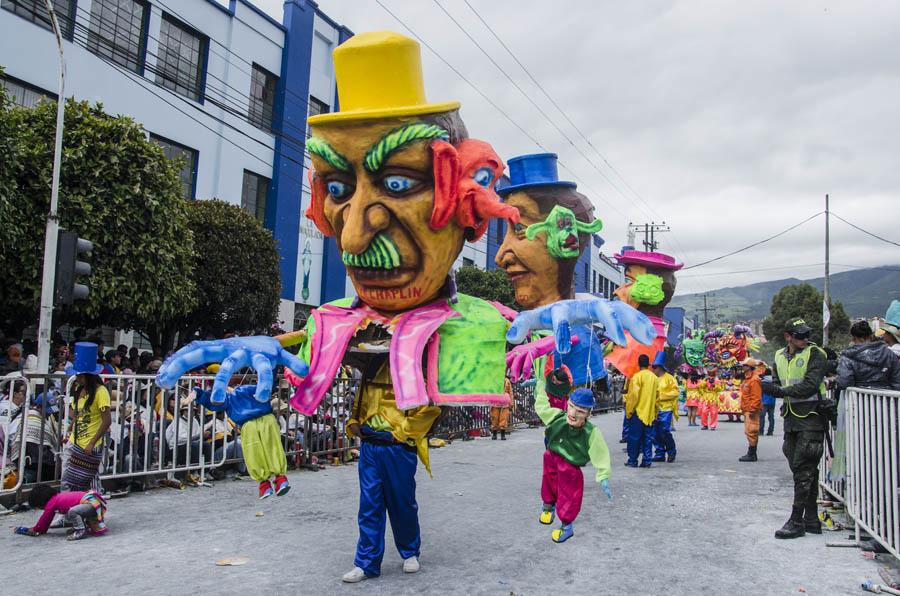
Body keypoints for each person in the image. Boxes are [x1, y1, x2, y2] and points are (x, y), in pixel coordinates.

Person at [341, 354, 441, 583]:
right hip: (370, 447)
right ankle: (366, 563)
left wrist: (401, 433)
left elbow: (430, 408)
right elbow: (361, 399)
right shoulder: (373, 365)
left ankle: (410, 552)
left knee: (402, 502)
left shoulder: (416, 367)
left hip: (398, 448)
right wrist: (354, 422)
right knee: (369, 505)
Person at [761, 317, 829, 539]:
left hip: (812, 417)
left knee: (804, 467)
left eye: (807, 334)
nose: (805, 339)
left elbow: (809, 384)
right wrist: (771, 387)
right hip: (791, 418)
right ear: (788, 336)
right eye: (800, 335)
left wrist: (780, 392)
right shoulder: (779, 356)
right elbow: (781, 381)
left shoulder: (816, 354)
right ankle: (811, 519)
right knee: (802, 468)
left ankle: (796, 520)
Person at [534, 380, 611, 543]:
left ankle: (566, 526)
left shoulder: (591, 432)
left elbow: (600, 452)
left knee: (569, 495)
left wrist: (603, 474)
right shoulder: (558, 417)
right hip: (552, 457)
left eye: (581, 411)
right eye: (571, 406)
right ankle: (548, 506)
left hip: (570, 466)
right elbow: (542, 408)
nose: (574, 413)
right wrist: (540, 387)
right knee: (548, 481)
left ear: (588, 414)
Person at [190, 380, 290, 499]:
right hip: (253, 424)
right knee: (258, 451)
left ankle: (275, 480)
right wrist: (197, 393)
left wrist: (197, 394)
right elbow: (213, 402)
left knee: (267, 448)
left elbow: (265, 385)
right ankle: (267, 483)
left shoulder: (245, 389)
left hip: (260, 421)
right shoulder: (228, 399)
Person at [61, 343, 112, 491]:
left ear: (88, 376)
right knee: (66, 478)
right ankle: (66, 509)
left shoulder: (101, 392)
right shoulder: (78, 389)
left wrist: (92, 443)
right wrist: (69, 430)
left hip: (91, 443)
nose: (77, 378)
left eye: (80, 375)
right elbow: (78, 414)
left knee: (91, 480)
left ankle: (94, 510)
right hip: (74, 440)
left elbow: (107, 421)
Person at [13, 483, 107, 541]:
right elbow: (48, 519)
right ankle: (80, 527)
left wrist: (36, 529)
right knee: (71, 512)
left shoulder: (52, 502)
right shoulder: (56, 498)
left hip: (91, 504)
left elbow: (45, 518)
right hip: (91, 503)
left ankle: (80, 530)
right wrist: (41, 529)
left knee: (72, 512)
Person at [836, 320, 900, 391]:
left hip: (858, 399)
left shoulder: (848, 356)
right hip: (886, 399)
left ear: (855, 338)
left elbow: (844, 382)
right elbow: (897, 381)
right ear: (871, 336)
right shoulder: (889, 354)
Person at [624, 354, 659, 468]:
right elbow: (658, 396)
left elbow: (634, 396)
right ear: (648, 364)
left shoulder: (636, 377)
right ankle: (647, 460)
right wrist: (655, 411)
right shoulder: (654, 378)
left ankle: (633, 460)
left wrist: (629, 411)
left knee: (634, 437)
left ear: (639, 364)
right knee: (647, 438)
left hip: (638, 412)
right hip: (650, 413)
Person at [651, 352, 678, 463]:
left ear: (660, 367)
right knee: (654, 432)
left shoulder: (670, 378)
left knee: (665, 431)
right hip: (654, 410)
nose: (653, 369)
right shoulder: (652, 378)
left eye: (655, 367)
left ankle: (671, 452)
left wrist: (661, 397)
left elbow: (675, 392)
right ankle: (659, 453)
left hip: (666, 409)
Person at [737, 358, 763, 462]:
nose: (742, 367)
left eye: (744, 365)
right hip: (747, 409)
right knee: (749, 431)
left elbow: (756, 397)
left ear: (749, 367)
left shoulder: (754, 380)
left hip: (751, 410)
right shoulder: (747, 379)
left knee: (752, 431)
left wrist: (752, 410)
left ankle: (752, 454)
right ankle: (751, 453)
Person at [760, 367, 777, 436]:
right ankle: (770, 431)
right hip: (772, 401)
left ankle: (761, 431)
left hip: (764, 401)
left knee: (762, 417)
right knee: (771, 417)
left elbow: (760, 392)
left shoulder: (762, 382)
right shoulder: (774, 381)